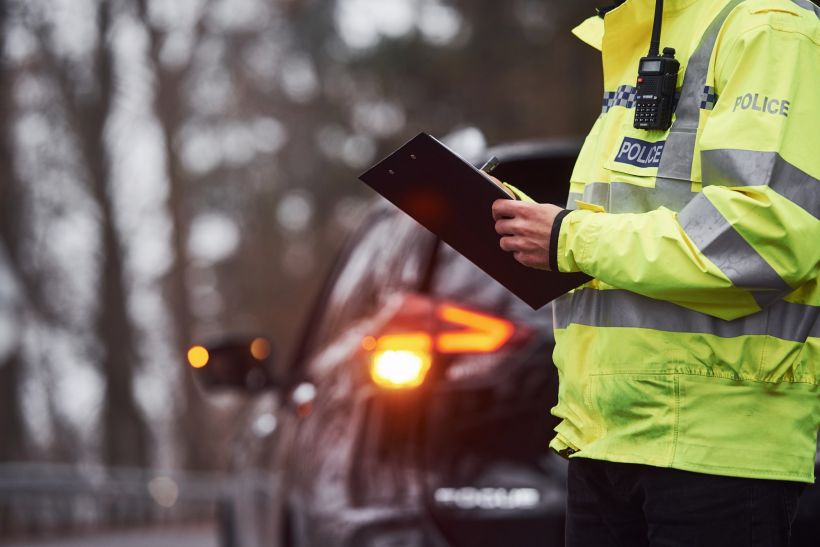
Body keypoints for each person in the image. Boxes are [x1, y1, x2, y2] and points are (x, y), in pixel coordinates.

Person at [491, 0, 819, 545]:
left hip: (716, 443)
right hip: (603, 435)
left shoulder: (771, 27)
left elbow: (761, 240)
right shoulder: (637, 34)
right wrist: (532, 228)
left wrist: (567, 237)